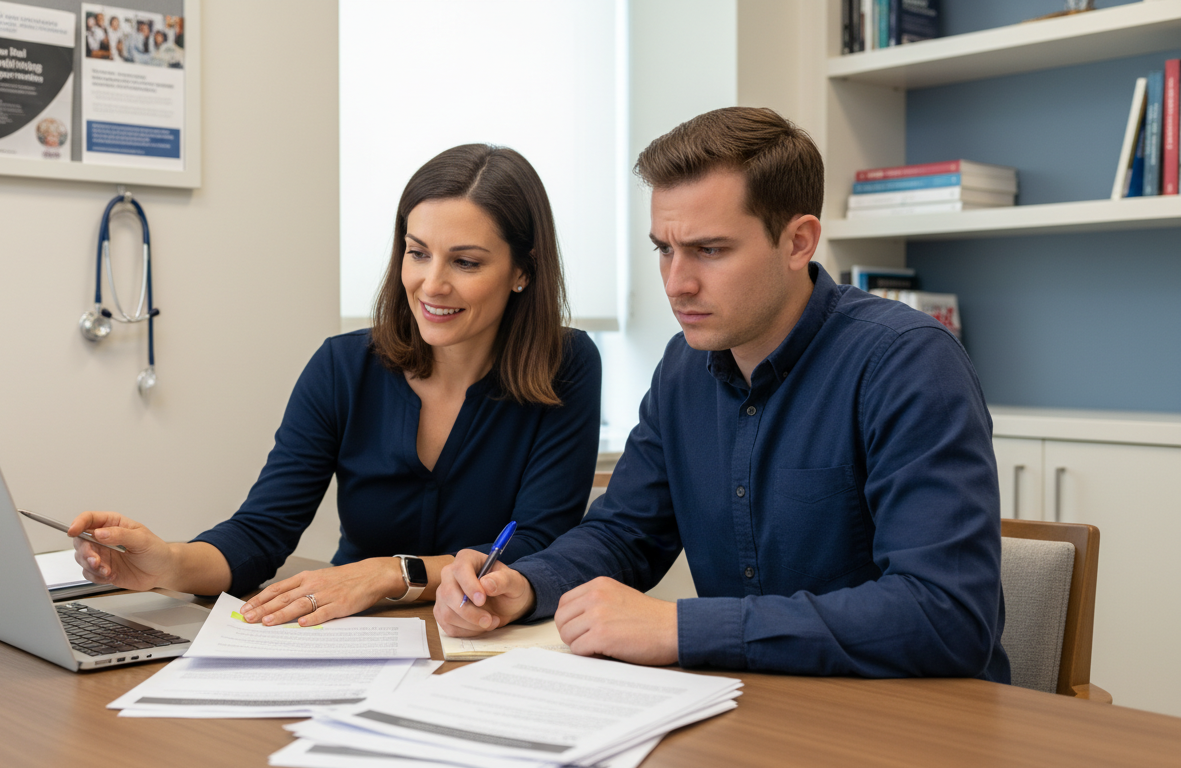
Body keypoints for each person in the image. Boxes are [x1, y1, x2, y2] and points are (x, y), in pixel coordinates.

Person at [435, 107, 1011, 682]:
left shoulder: (908, 362)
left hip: (911, 722)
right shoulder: (684, 367)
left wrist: (681, 629)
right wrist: (527, 582)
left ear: (798, 241)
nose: (676, 283)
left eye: (709, 250)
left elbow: (946, 616)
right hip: (751, 708)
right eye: (664, 248)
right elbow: (625, 532)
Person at [71, 144, 602, 628]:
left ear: (522, 271)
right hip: (355, 638)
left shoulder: (568, 365)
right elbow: (262, 531)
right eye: (417, 253)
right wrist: (166, 562)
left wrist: (389, 574)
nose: (431, 283)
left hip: (491, 645)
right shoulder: (343, 366)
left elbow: (538, 549)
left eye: (465, 262)